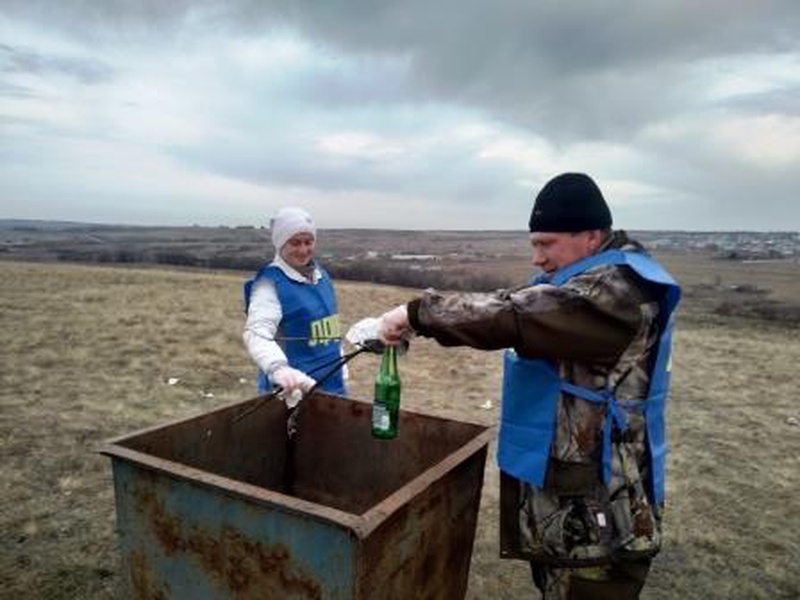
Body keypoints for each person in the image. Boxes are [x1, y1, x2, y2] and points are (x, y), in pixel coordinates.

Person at [373, 173, 680, 599]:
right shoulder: (594, 279)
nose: (537, 258)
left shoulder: (611, 292)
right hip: (576, 506)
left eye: (546, 243)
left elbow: (517, 316)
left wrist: (415, 314)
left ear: (591, 236)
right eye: (534, 243)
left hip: (599, 517)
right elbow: (524, 306)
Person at [243, 207, 347, 403]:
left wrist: (342, 367)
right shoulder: (269, 284)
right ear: (280, 243)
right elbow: (256, 333)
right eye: (295, 242)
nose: (303, 250)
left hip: (332, 389)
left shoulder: (321, 277)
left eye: (308, 242)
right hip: (291, 394)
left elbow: (330, 329)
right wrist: (279, 369)